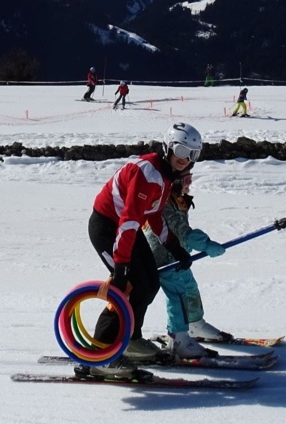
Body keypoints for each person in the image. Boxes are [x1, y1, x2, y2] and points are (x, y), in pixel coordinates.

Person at [82, 122, 203, 379]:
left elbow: (154, 216)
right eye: (182, 151)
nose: (186, 159)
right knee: (126, 287)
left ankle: (132, 339)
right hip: (108, 228)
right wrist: (121, 266)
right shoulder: (149, 173)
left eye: (193, 154)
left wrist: (173, 246)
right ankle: (100, 354)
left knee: (149, 282)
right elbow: (128, 220)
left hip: (128, 229)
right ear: (168, 147)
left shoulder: (165, 175)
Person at [145, 172, 233, 353]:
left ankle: (195, 324)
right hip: (163, 260)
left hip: (178, 258)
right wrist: (206, 245)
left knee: (190, 288)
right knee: (177, 294)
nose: (190, 182)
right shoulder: (164, 206)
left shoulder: (179, 200)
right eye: (186, 179)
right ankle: (178, 338)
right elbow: (184, 232)